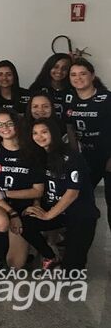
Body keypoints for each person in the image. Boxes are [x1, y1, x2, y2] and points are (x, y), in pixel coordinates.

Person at [22, 118, 99, 270]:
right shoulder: (39, 155)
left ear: (54, 133)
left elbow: (72, 193)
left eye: (44, 132)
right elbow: (39, 186)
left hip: (80, 215)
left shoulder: (72, 156)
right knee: (24, 222)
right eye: (35, 133)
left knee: (72, 271)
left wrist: (48, 215)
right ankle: (50, 256)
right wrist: (37, 206)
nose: (39, 136)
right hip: (58, 212)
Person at [0, 108, 44, 272]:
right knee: (1, 221)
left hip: (22, 207)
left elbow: (38, 191)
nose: (5, 128)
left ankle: (17, 239)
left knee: (16, 264)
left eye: (9, 123)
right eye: (0, 124)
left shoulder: (32, 151)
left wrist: (7, 194)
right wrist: (12, 213)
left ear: (17, 124)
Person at [64, 58, 110, 231]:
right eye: (73, 74)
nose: (78, 78)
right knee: (80, 197)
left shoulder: (106, 98)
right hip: (86, 158)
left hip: (107, 157)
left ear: (92, 76)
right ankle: (77, 237)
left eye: (83, 73)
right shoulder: (69, 99)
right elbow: (69, 127)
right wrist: (75, 156)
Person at [28, 53, 72, 118]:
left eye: (64, 68)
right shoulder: (37, 88)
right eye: (56, 67)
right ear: (49, 67)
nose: (59, 71)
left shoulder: (73, 89)